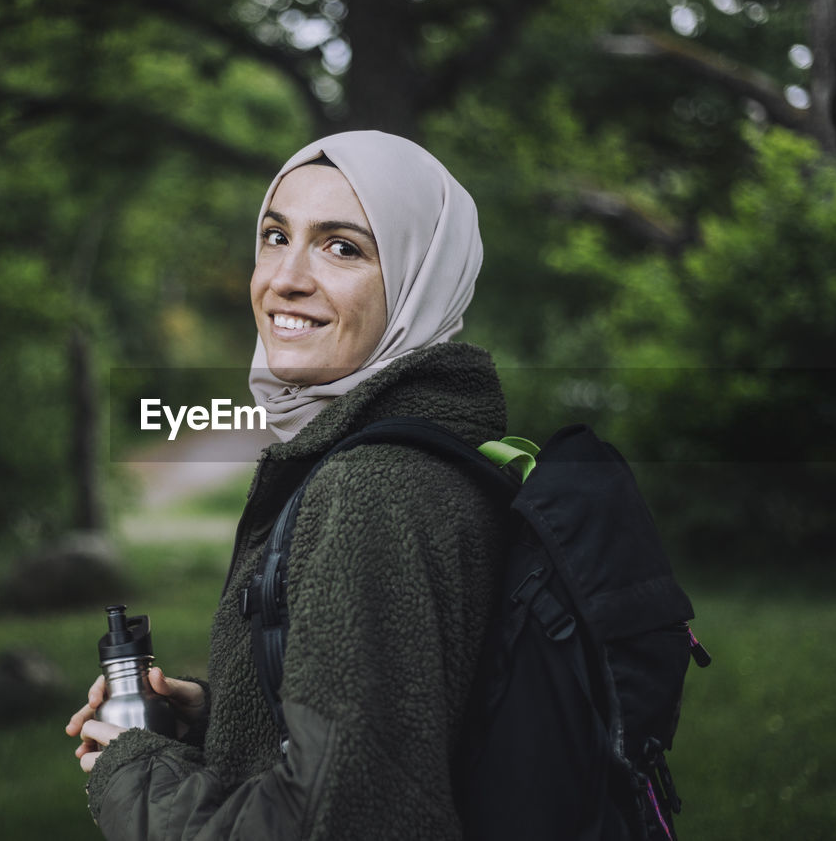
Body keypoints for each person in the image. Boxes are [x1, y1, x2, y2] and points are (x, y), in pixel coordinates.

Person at [66, 130, 510, 840]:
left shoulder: (371, 489)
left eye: (343, 247)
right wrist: (218, 716)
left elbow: (345, 820)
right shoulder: (441, 448)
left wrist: (135, 772)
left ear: (420, 278)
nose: (286, 278)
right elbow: (415, 720)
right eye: (275, 236)